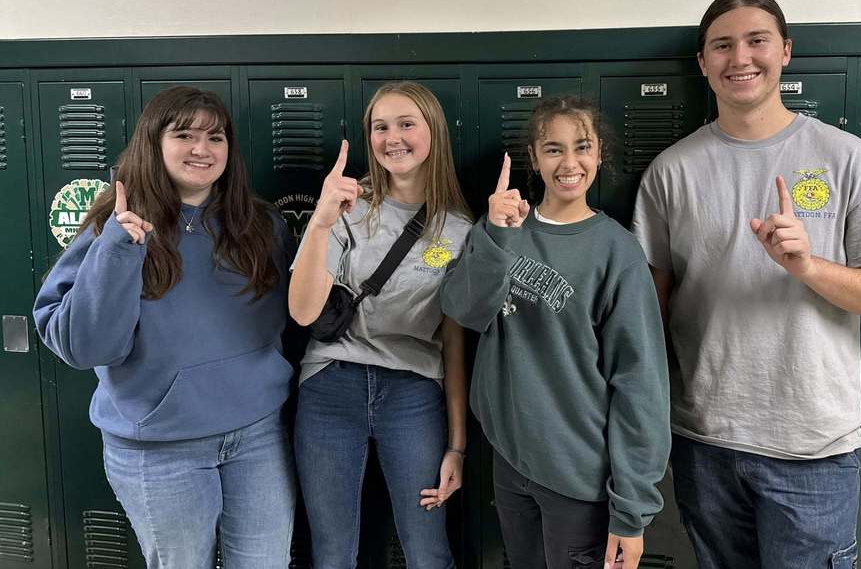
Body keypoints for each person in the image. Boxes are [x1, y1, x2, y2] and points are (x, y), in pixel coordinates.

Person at [632, 0, 861, 569]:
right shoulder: (671, 172)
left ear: (785, 51)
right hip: (703, 440)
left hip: (812, 446)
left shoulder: (850, 160)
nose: (740, 58)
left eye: (756, 40)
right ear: (703, 63)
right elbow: (647, 309)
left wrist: (808, 267)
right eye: (722, 45)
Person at [34, 86, 297, 568]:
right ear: (152, 143)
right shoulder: (111, 226)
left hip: (257, 434)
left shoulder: (260, 224)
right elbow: (82, 345)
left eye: (215, 137)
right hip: (160, 447)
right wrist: (118, 248)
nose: (202, 149)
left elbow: (295, 317)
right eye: (184, 135)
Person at [441, 95, 670, 569]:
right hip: (510, 463)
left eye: (582, 147)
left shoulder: (617, 252)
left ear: (600, 154)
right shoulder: (505, 228)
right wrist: (497, 237)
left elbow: (640, 383)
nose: (570, 163)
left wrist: (631, 511)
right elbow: (463, 310)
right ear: (534, 158)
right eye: (553, 149)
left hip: (578, 476)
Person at [288, 81, 472, 568]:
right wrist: (322, 222)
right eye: (380, 126)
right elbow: (304, 311)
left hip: (414, 394)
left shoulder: (458, 230)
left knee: (428, 551)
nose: (393, 138)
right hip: (331, 385)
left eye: (407, 124)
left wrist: (457, 444)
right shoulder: (346, 208)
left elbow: (454, 344)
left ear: (433, 131)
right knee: (332, 554)